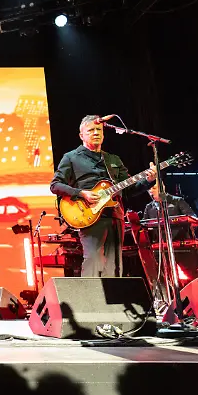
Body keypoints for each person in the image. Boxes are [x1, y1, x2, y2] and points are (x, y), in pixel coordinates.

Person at [50, 115, 155, 277]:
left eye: (99, 130)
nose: (96, 133)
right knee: (93, 261)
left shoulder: (113, 159)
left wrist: (148, 181)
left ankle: (114, 300)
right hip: (88, 214)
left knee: (115, 266)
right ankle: (91, 301)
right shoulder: (71, 157)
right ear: (81, 135)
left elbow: (127, 190)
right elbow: (55, 185)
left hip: (115, 215)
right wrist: (81, 193)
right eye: (91, 130)